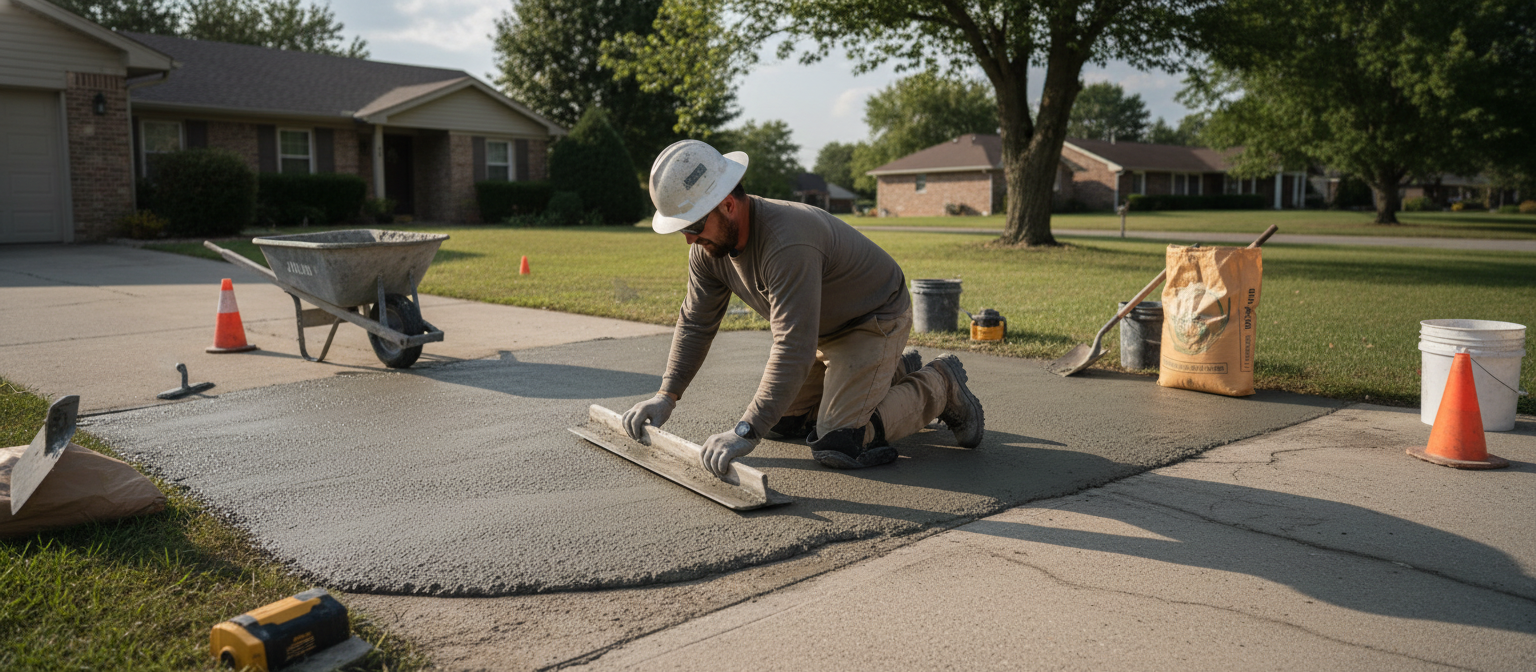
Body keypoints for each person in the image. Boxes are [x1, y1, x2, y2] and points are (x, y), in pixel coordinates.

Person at [621, 139, 984, 478]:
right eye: (683, 228)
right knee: (784, 424)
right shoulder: (707, 250)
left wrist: (746, 430)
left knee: (839, 442)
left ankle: (941, 382)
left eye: (695, 225)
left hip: (873, 319)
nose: (689, 238)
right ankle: (893, 368)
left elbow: (793, 345)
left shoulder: (786, 242)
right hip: (822, 329)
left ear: (728, 205)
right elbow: (696, 323)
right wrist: (666, 396)